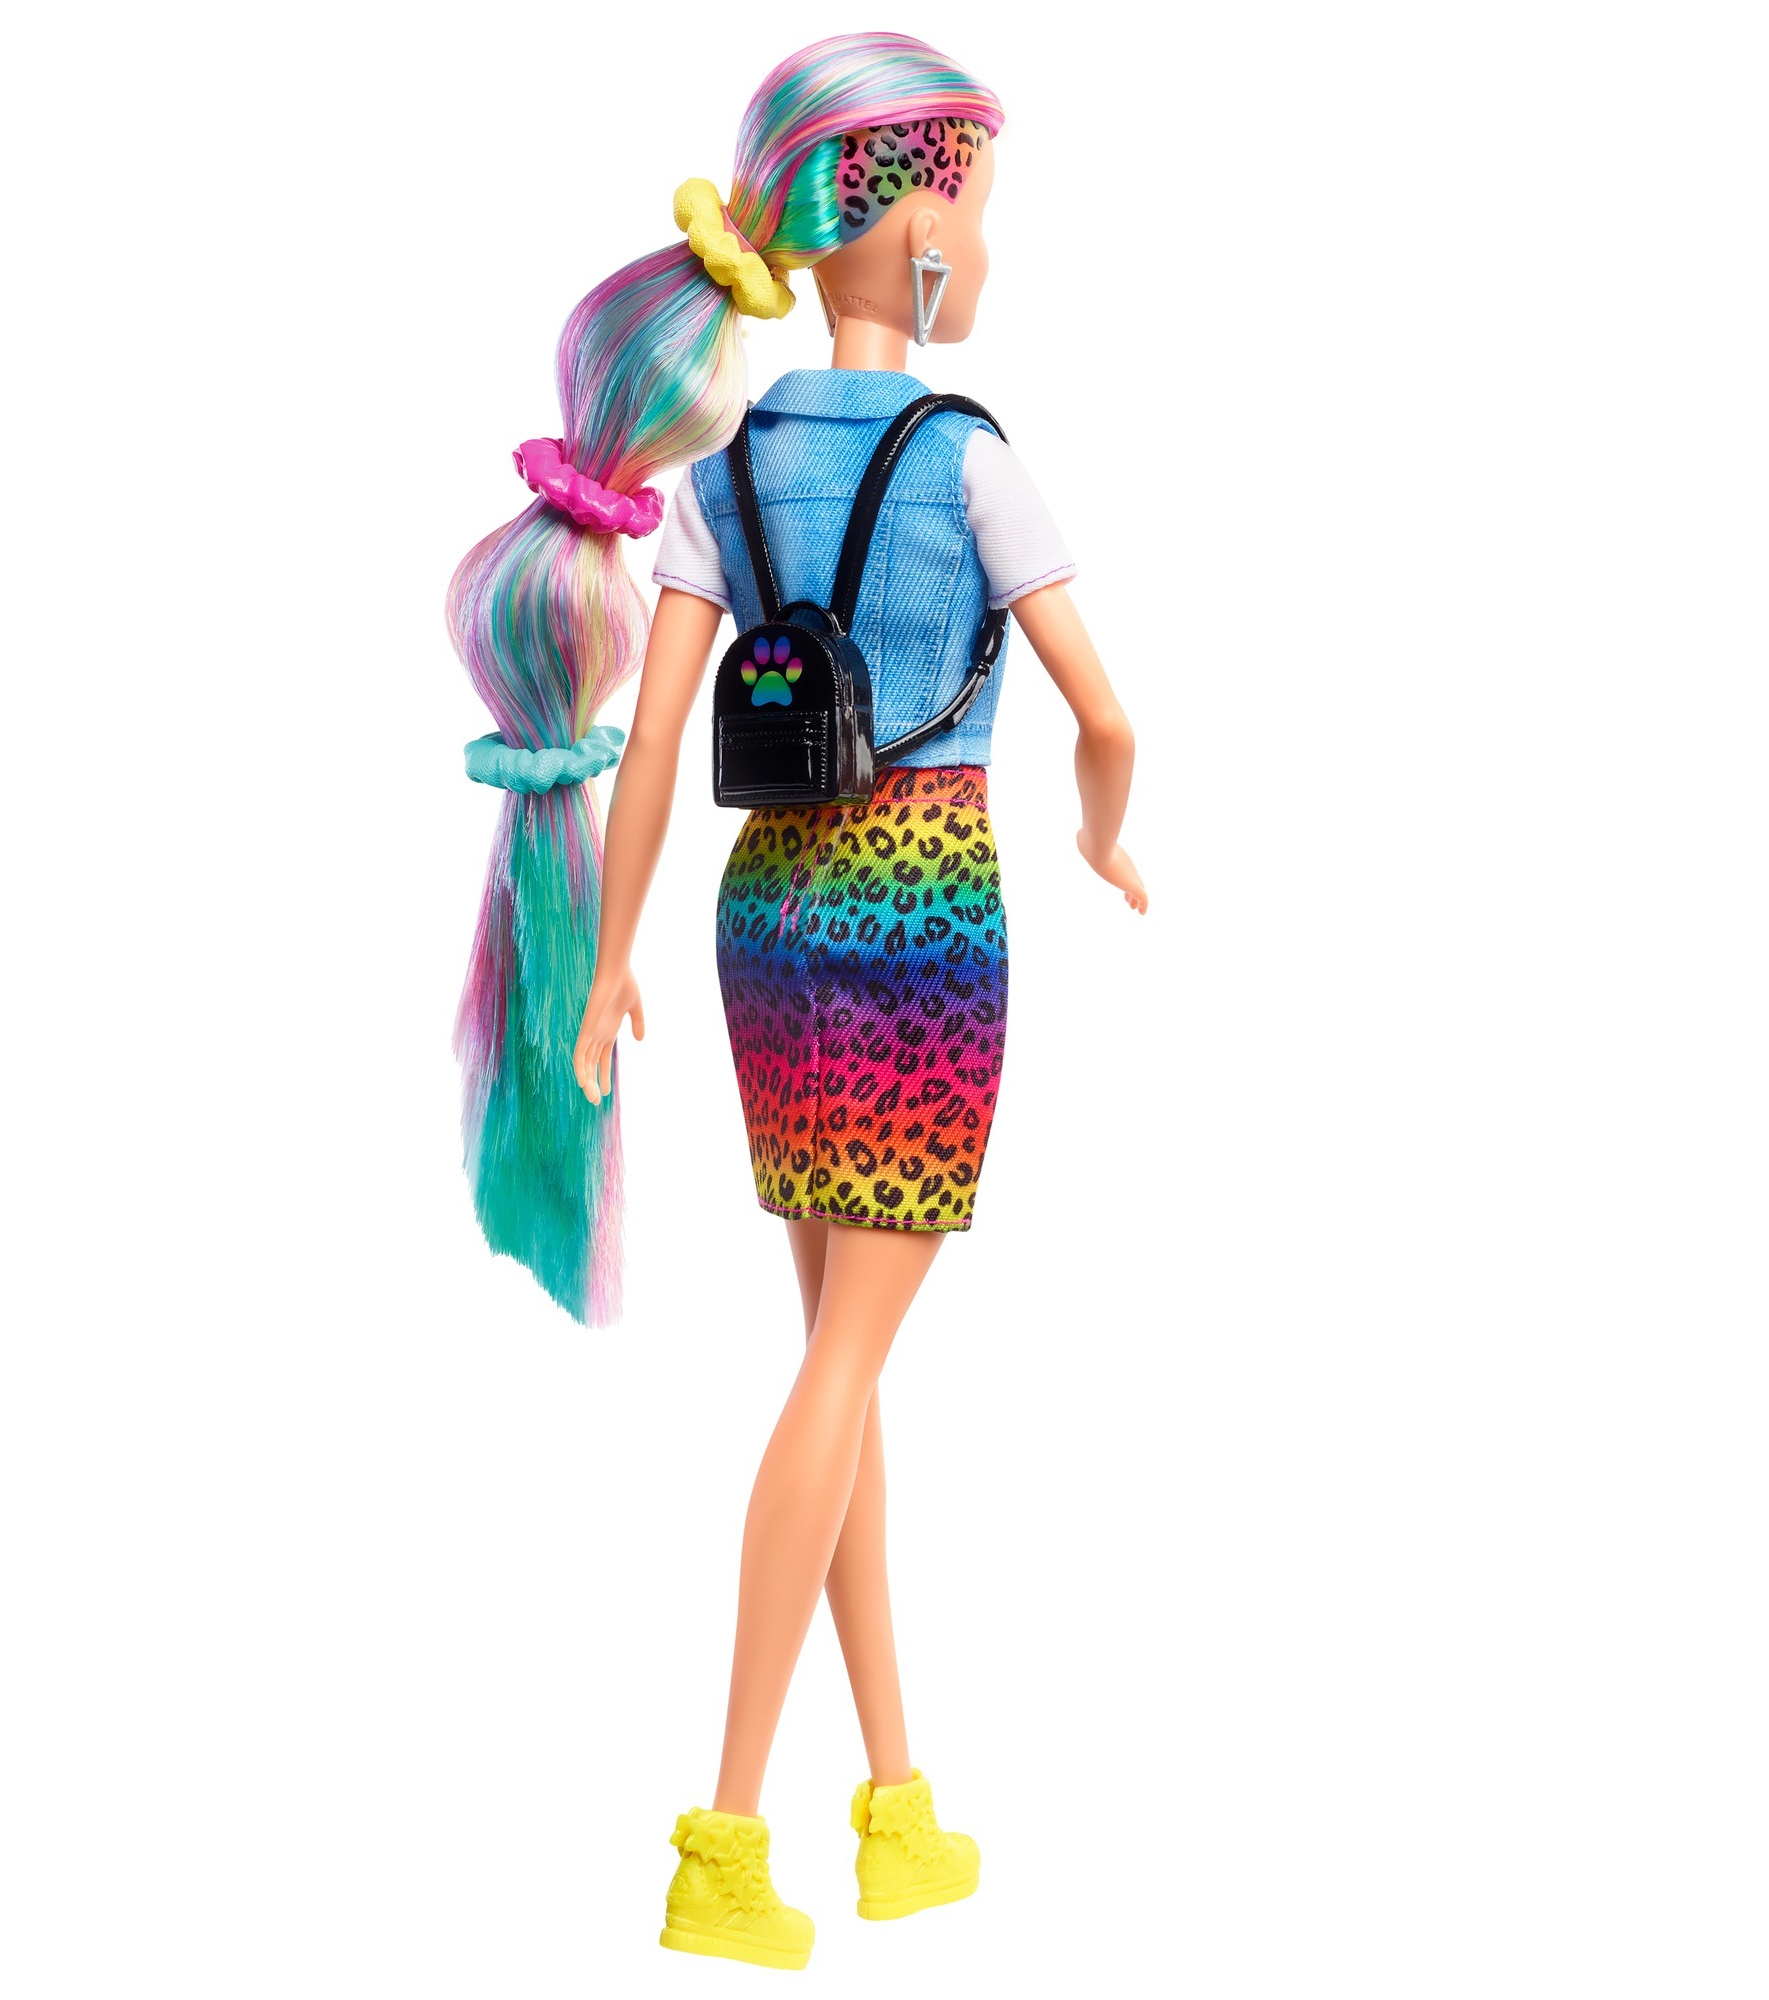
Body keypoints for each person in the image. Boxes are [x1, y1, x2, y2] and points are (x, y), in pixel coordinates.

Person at [454, 33, 1144, 1973]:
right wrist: (1103, 834)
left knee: (844, 1349)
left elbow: (647, 746)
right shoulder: (971, 456)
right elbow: (1103, 714)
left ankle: (896, 1804)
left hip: (766, 916)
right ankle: (725, 1838)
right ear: (913, 234)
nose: (986, 256)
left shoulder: (722, 472)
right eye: (980, 217)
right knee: (841, 1366)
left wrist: (606, 960)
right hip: (920, 918)